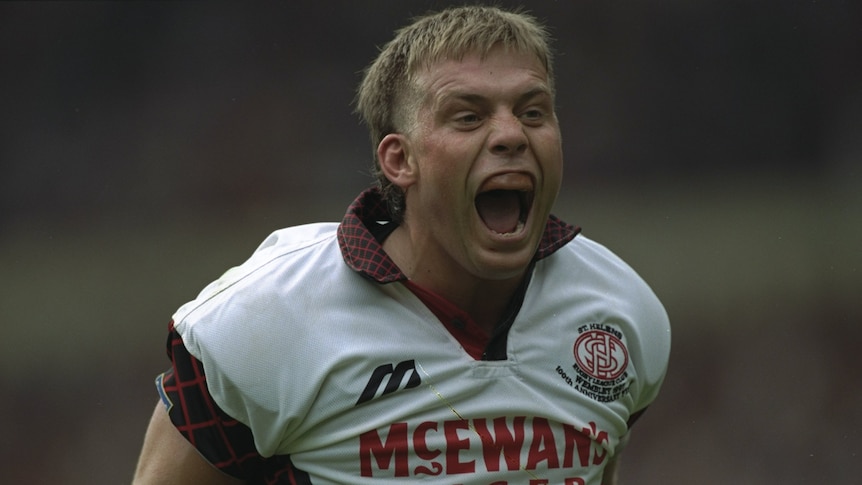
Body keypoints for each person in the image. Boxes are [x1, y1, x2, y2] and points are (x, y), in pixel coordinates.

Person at [133, 5, 671, 484]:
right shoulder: (265, 318)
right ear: (400, 160)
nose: (512, 134)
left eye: (533, 112)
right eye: (469, 116)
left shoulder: (624, 312)